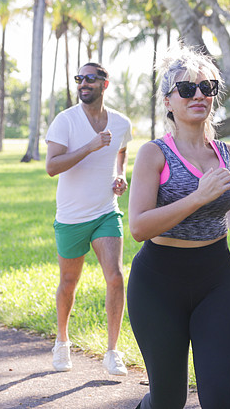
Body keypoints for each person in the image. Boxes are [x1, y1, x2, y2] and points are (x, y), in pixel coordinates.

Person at [127, 47, 230, 409]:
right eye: (186, 89)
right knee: (168, 400)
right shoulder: (154, 154)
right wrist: (197, 198)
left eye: (207, 87)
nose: (198, 95)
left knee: (220, 400)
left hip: (217, 279)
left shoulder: (229, 155)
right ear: (168, 102)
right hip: (158, 283)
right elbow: (138, 227)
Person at [44, 62, 132, 375]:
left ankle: (112, 351)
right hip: (71, 216)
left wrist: (120, 174)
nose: (83, 83)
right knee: (69, 282)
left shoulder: (121, 123)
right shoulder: (65, 121)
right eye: (79, 78)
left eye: (90, 79)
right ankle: (62, 341)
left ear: (104, 84)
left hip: (105, 211)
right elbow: (52, 166)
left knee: (115, 277)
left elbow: (121, 150)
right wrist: (90, 147)